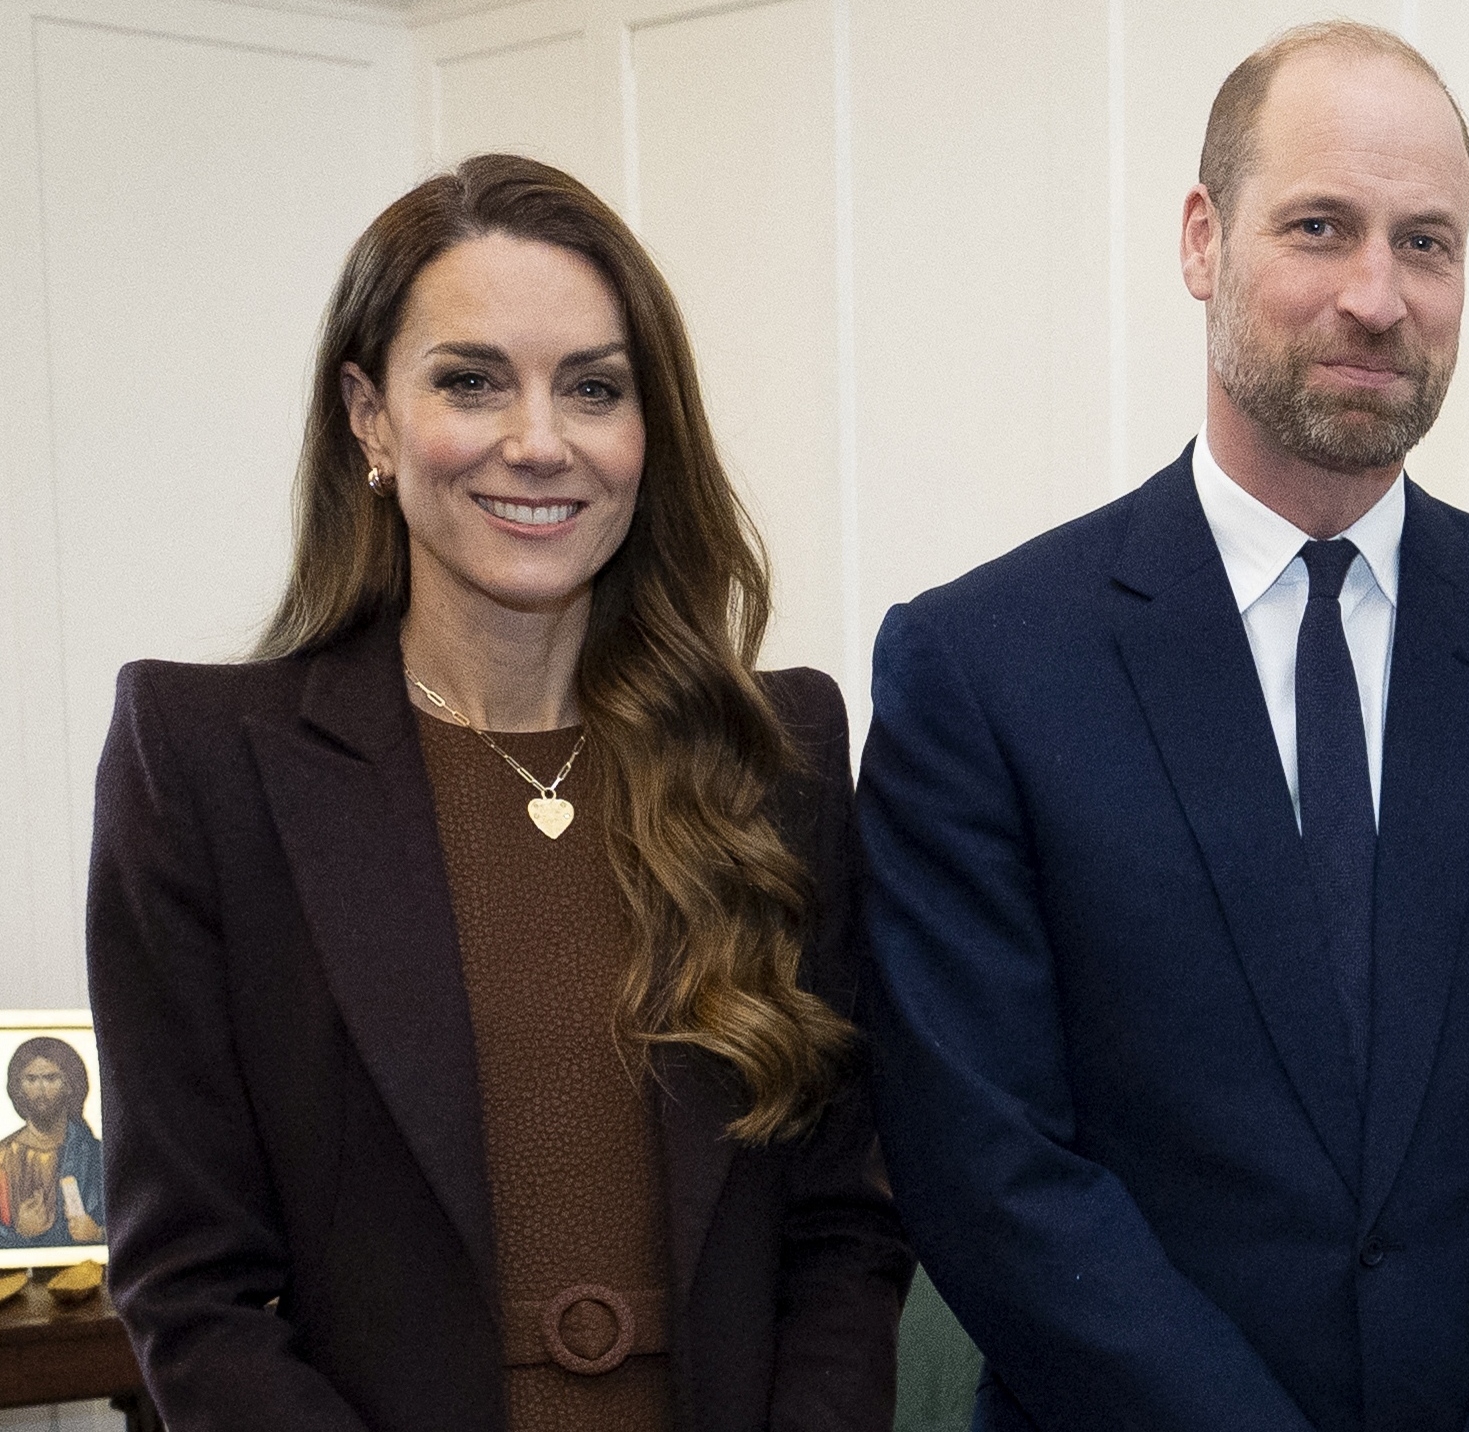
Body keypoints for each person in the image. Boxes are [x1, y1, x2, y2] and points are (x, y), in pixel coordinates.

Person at [858, 21, 1469, 1432]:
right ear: (1201, 241)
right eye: (1320, 227)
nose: (1377, 298)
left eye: (1427, 242)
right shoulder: (982, 666)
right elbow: (988, 1162)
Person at [86, 153, 910, 1432]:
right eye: (470, 381)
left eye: (594, 387)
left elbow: (842, 1232)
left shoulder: (777, 752)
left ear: (650, 432)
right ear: (368, 416)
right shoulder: (200, 760)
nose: (539, 441)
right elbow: (188, 1289)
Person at [0, 1038, 105, 1246]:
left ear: (69, 1085)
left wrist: (98, 1234)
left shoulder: (95, 1155)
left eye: (50, 1078)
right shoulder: (3, 1156)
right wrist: (20, 1233)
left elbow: (133, 1223)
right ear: (18, 1087)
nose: (41, 1089)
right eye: (31, 1079)